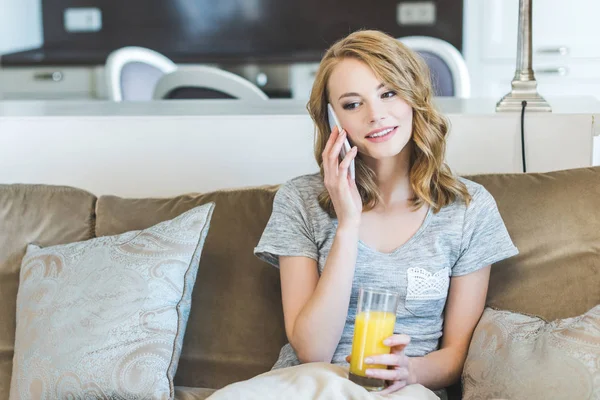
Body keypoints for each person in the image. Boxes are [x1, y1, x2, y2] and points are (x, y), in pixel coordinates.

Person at [253, 29, 518, 399]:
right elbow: (312, 352)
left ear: (414, 96)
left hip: (405, 389)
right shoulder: (298, 199)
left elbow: (457, 355)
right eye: (352, 104)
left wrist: (410, 372)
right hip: (310, 384)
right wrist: (348, 224)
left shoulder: (469, 208)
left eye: (388, 93)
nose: (375, 116)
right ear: (333, 120)